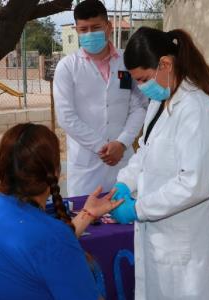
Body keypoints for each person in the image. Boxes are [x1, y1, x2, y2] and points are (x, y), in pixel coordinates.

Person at [110, 27, 209, 300]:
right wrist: (124, 184)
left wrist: (138, 209)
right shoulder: (160, 101)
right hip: (161, 241)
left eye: (143, 79)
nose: (142, 88)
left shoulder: (197, 110)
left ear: (165, 64)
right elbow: (145, 151)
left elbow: (194, 184)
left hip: (188, 248)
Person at [0, 123, 122, 300]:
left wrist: (87, 214)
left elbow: (41, 247)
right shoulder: (51, 237)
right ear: (55, 171)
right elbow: (48, 246)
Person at [54, 0, 147, 197]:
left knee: (125, 218)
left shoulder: (126, 61)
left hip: (123, 161)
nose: (89, 34)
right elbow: (66, 117)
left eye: (95, 27)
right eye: (83, 29)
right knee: (86, 221)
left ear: (108, 26)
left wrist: (121, 143)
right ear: (76, 30)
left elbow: (140, 106)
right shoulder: (67, 67)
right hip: (86, 166)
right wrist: (102, 147)